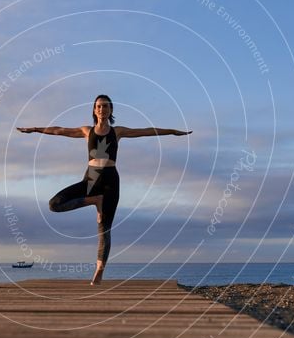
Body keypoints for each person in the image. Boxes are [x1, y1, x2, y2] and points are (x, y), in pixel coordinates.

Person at [17, 95, 191, 285]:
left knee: (104, 230)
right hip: (91, 178)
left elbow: (146, 131)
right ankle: (94, 200)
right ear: (94, 110)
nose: (102, 109)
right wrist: (35, 129)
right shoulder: (86, 131)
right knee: (54, 204)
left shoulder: (118, 131)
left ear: (111, 110)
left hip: (110, 181)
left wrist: (173, 131)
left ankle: (99, 271)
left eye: (106, 106)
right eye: (99, 106)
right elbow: (59, 130)